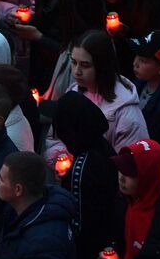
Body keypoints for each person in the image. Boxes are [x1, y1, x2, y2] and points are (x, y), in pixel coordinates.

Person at [43, 30, 150, 168]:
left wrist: (85, 168)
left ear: (103, 65)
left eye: (85, 65)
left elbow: (128, 166)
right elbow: (54, 137)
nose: (76, 71)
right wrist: (60, 158)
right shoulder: (73, 93)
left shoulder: (127, 114)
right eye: (74, 62)